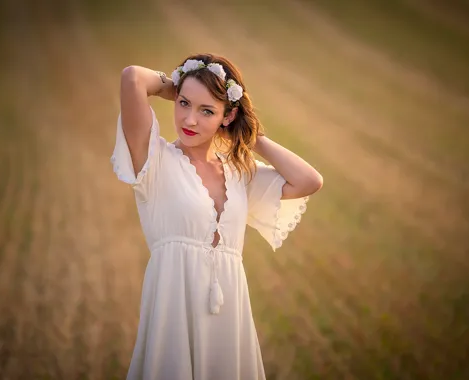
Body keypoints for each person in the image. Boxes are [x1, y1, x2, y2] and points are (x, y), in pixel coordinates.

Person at [111, 53, 323, 380]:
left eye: (206, 111)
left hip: (228, 316)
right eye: (184, 104)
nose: (189, 120)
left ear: (228, 116)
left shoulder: (239, 174)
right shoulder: (153, 161)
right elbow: (133, 78)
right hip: (174, 310)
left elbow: (309, 181)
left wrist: (252, 137)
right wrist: (175, 87)